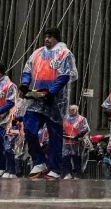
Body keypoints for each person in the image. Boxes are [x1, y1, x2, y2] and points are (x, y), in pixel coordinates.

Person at [19, 27, 77, 179]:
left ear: (56, 38)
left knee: (54, 136)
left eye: (50, 37)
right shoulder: (37, 53)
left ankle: (55, 169)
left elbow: (65, 75)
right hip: (36, 99)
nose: (47, 39)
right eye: (45, 36)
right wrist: (25, 84)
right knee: (29, 128)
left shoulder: (65, 54)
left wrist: (51, 92)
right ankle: (39, 161)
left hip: (55, 101)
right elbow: (27, 69)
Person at [62, 104, 90, 179]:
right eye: (70, 110)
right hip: (67, 142)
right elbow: (63, 129)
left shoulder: (81, 119)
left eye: (73, 109)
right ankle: (68, 173)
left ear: (76, 110)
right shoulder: (66, 119)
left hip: (77, 142)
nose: (71, 111)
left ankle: (77, 174)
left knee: (76, 159)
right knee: (65, 158)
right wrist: (64, 135)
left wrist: (78, 135)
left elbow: (86, 128)